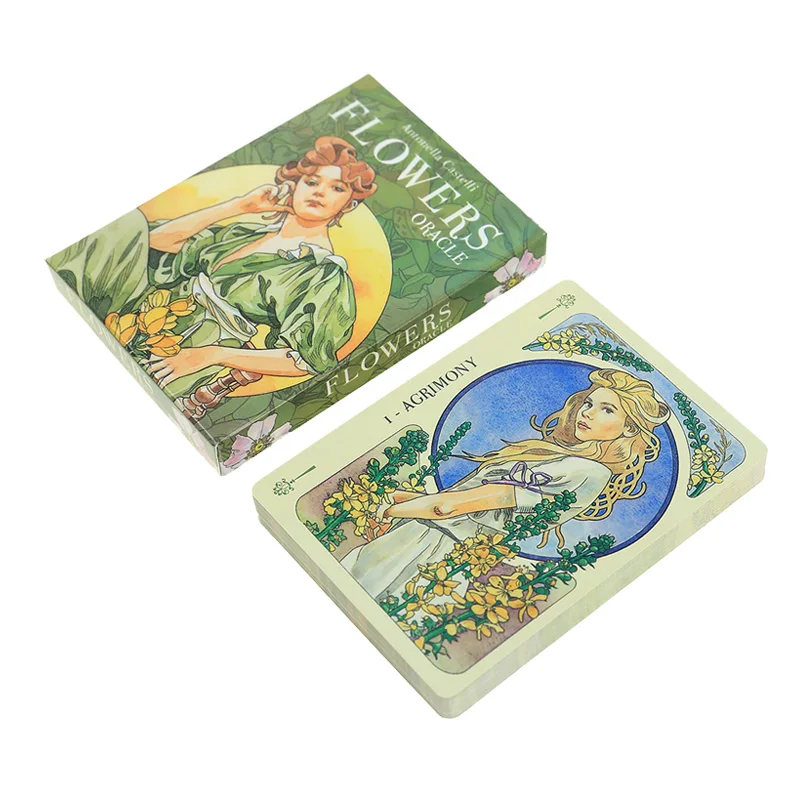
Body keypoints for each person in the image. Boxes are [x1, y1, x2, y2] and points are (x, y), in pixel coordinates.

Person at [341, 369, 671, 600]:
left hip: (437, 554)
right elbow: (453, 498)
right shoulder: (555, 456)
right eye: (588, 403)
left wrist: (388, 510)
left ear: (629, 429)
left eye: (606, 410)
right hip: (421, 535)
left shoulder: (588, 473)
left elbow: (451, 506)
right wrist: (393, 499)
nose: (587, 413)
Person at [141, 136, 378, 392]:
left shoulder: (322, 275)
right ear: (293, 187)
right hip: (150, 317)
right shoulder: (244, 234)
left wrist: (212, 355)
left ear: (349, 204)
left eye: (337, 188)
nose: (319, 192)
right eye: (311, 182)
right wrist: (240, 206)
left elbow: (305, 361)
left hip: (191, 350)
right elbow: (152, 241)